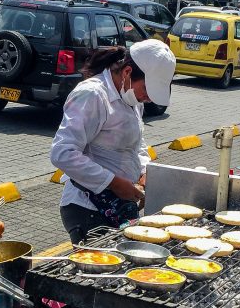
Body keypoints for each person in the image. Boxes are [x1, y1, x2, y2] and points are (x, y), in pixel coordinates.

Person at [49, 40, 176, 245]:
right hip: (88, 208)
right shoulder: (92, 94)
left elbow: (137, 144)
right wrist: (113, 183)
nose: (149, 98)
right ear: (127, 72)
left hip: (121, 205)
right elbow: (62, 153)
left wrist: (144, 171)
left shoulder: (134, 100)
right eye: (146, 89)